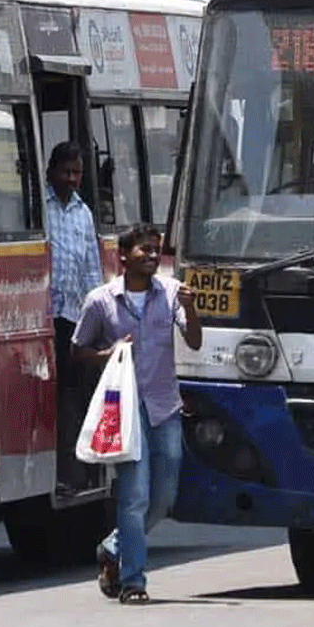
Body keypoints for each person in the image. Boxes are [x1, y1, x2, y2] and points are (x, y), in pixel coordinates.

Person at [73, 223, 202, 604]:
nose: (151, 255)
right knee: (134, 497)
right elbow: (79, 350)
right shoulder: (101, 301)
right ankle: (133, 582)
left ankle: (114, 546)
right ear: (122, 257)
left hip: (164, 405)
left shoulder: (172, 293)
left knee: (164, 496)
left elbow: (193, 340)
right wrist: (108, 352)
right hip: (126, 412)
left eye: (155, 250)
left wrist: (191, 310)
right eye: (143, 250)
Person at [46, 140, 103, 494]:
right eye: (66, 172)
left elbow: (92, 274)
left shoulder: (83, 214)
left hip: (72, 317)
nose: (71, 179)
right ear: (51, 171)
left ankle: (73, 471)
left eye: (77, 173)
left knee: (72, 393)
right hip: (42, 317)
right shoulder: (41, 208)